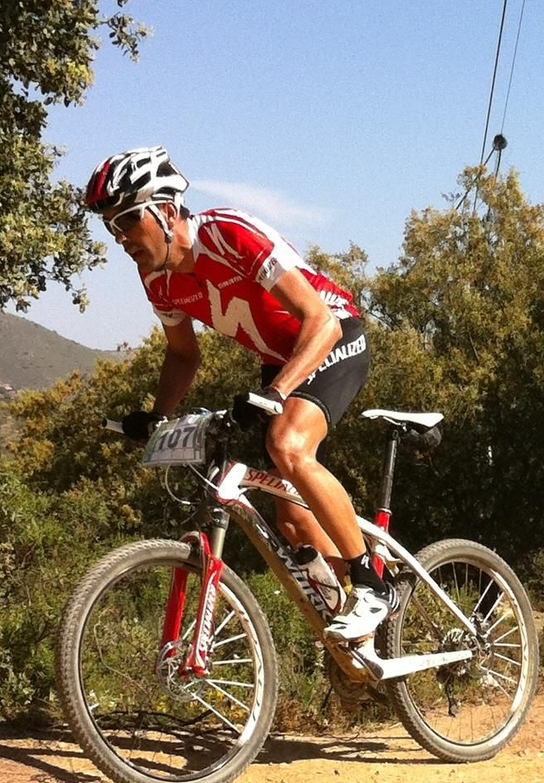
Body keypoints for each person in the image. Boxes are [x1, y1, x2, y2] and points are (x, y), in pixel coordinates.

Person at [82, 145, 392, 643]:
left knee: (287, 446)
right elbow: (183, 356)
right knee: (291, 521)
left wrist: (275, 391)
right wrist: (155, 416)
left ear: (164, 210)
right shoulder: (155, 278)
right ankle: (360, 642)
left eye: (127, 220)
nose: (120, 238)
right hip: (282, 363)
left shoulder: (228, 233)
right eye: (110, 227)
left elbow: (321, 321)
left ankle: (375, 586)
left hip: (330, 335)